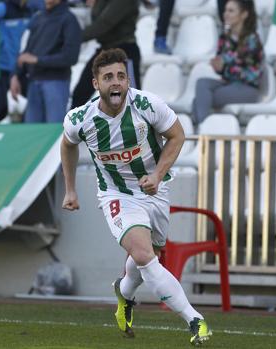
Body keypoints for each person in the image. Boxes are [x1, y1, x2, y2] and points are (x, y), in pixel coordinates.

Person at [60, 48, 212, 345]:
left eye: (120, 76)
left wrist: (156, 175)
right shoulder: (80, 118)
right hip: (116, 194)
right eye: (108, 77)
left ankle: (124, 293)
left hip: (154, 191)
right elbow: (67, 145)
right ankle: (195, 320)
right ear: (96, 84)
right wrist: (70, 189)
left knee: (146, 258)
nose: (115, 83)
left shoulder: (147, 104)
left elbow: (178, 135)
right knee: (144, 256)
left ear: (128, 79)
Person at [191, 0, 263, 124]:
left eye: (231, 11)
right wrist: (218, 67)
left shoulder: (252, 39)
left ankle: (202, 131)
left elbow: (251, 75)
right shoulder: (224, 37)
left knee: (198, 101)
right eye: (225, 10)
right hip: (229, 83)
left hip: (248, 88)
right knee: (202, 83)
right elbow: (223, 64)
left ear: (244, 14)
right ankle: (204, 130)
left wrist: (226, 66)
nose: (226, 14)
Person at [9, 0, 81, 123]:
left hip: (56, 82)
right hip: (33, 82)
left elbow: (71, 57)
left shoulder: (69, 19)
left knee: (55, 133)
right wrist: (16, 75)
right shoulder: (38, 17)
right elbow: (27, 50)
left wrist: (37, 60)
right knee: (33, 135)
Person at [70, 0, 141, 109]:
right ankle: (75, 124)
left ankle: (135, 125)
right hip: (105, 49)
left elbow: (105, 23)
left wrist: (72, 37)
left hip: (124, 51)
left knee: (131, 98)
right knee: (80, 93)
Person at [0, 0, 41, 121]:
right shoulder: (3, 7)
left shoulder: (30, 9)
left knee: (30, 109)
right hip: (2, 68)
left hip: (21, 69)